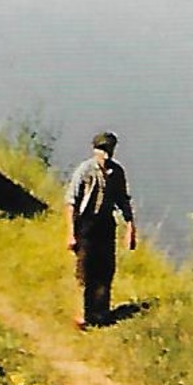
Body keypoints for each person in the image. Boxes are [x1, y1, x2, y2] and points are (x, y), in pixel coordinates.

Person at [65, 130, 136, 328]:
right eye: (102, 149)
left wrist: (130, 227)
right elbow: (71, 202)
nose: (106, 154)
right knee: (85, 270)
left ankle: (101, 313)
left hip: (106, 225)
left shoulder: (117, 172)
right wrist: (71, 233)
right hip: (86, 224)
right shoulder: (85, 170)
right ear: (94, 150)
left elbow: (123, 200)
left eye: (109, 149)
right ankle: (82, 314)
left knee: (105, 270)